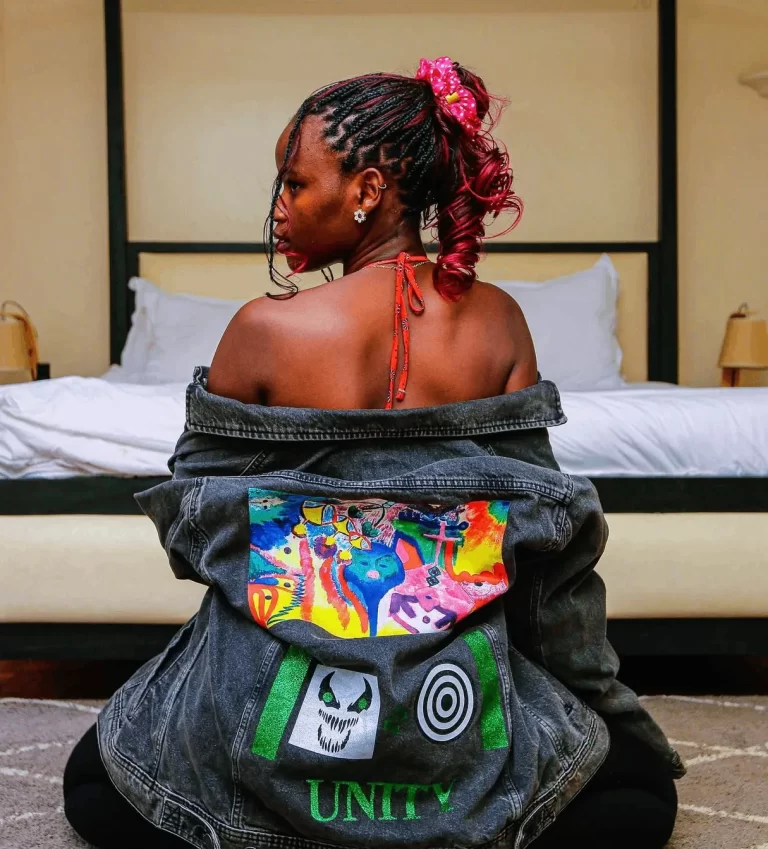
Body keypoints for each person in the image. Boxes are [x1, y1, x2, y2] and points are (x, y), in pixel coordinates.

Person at [64, 58, 683, 849]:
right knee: (637, 796)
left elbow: (199, 535)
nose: (278, 207)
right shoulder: (500, 324)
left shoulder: (262, 330)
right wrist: (600, 702)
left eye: (294, 184)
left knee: (99, 782)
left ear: (366, 191)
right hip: (451, 699)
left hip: (272, 697)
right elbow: (543, 554)